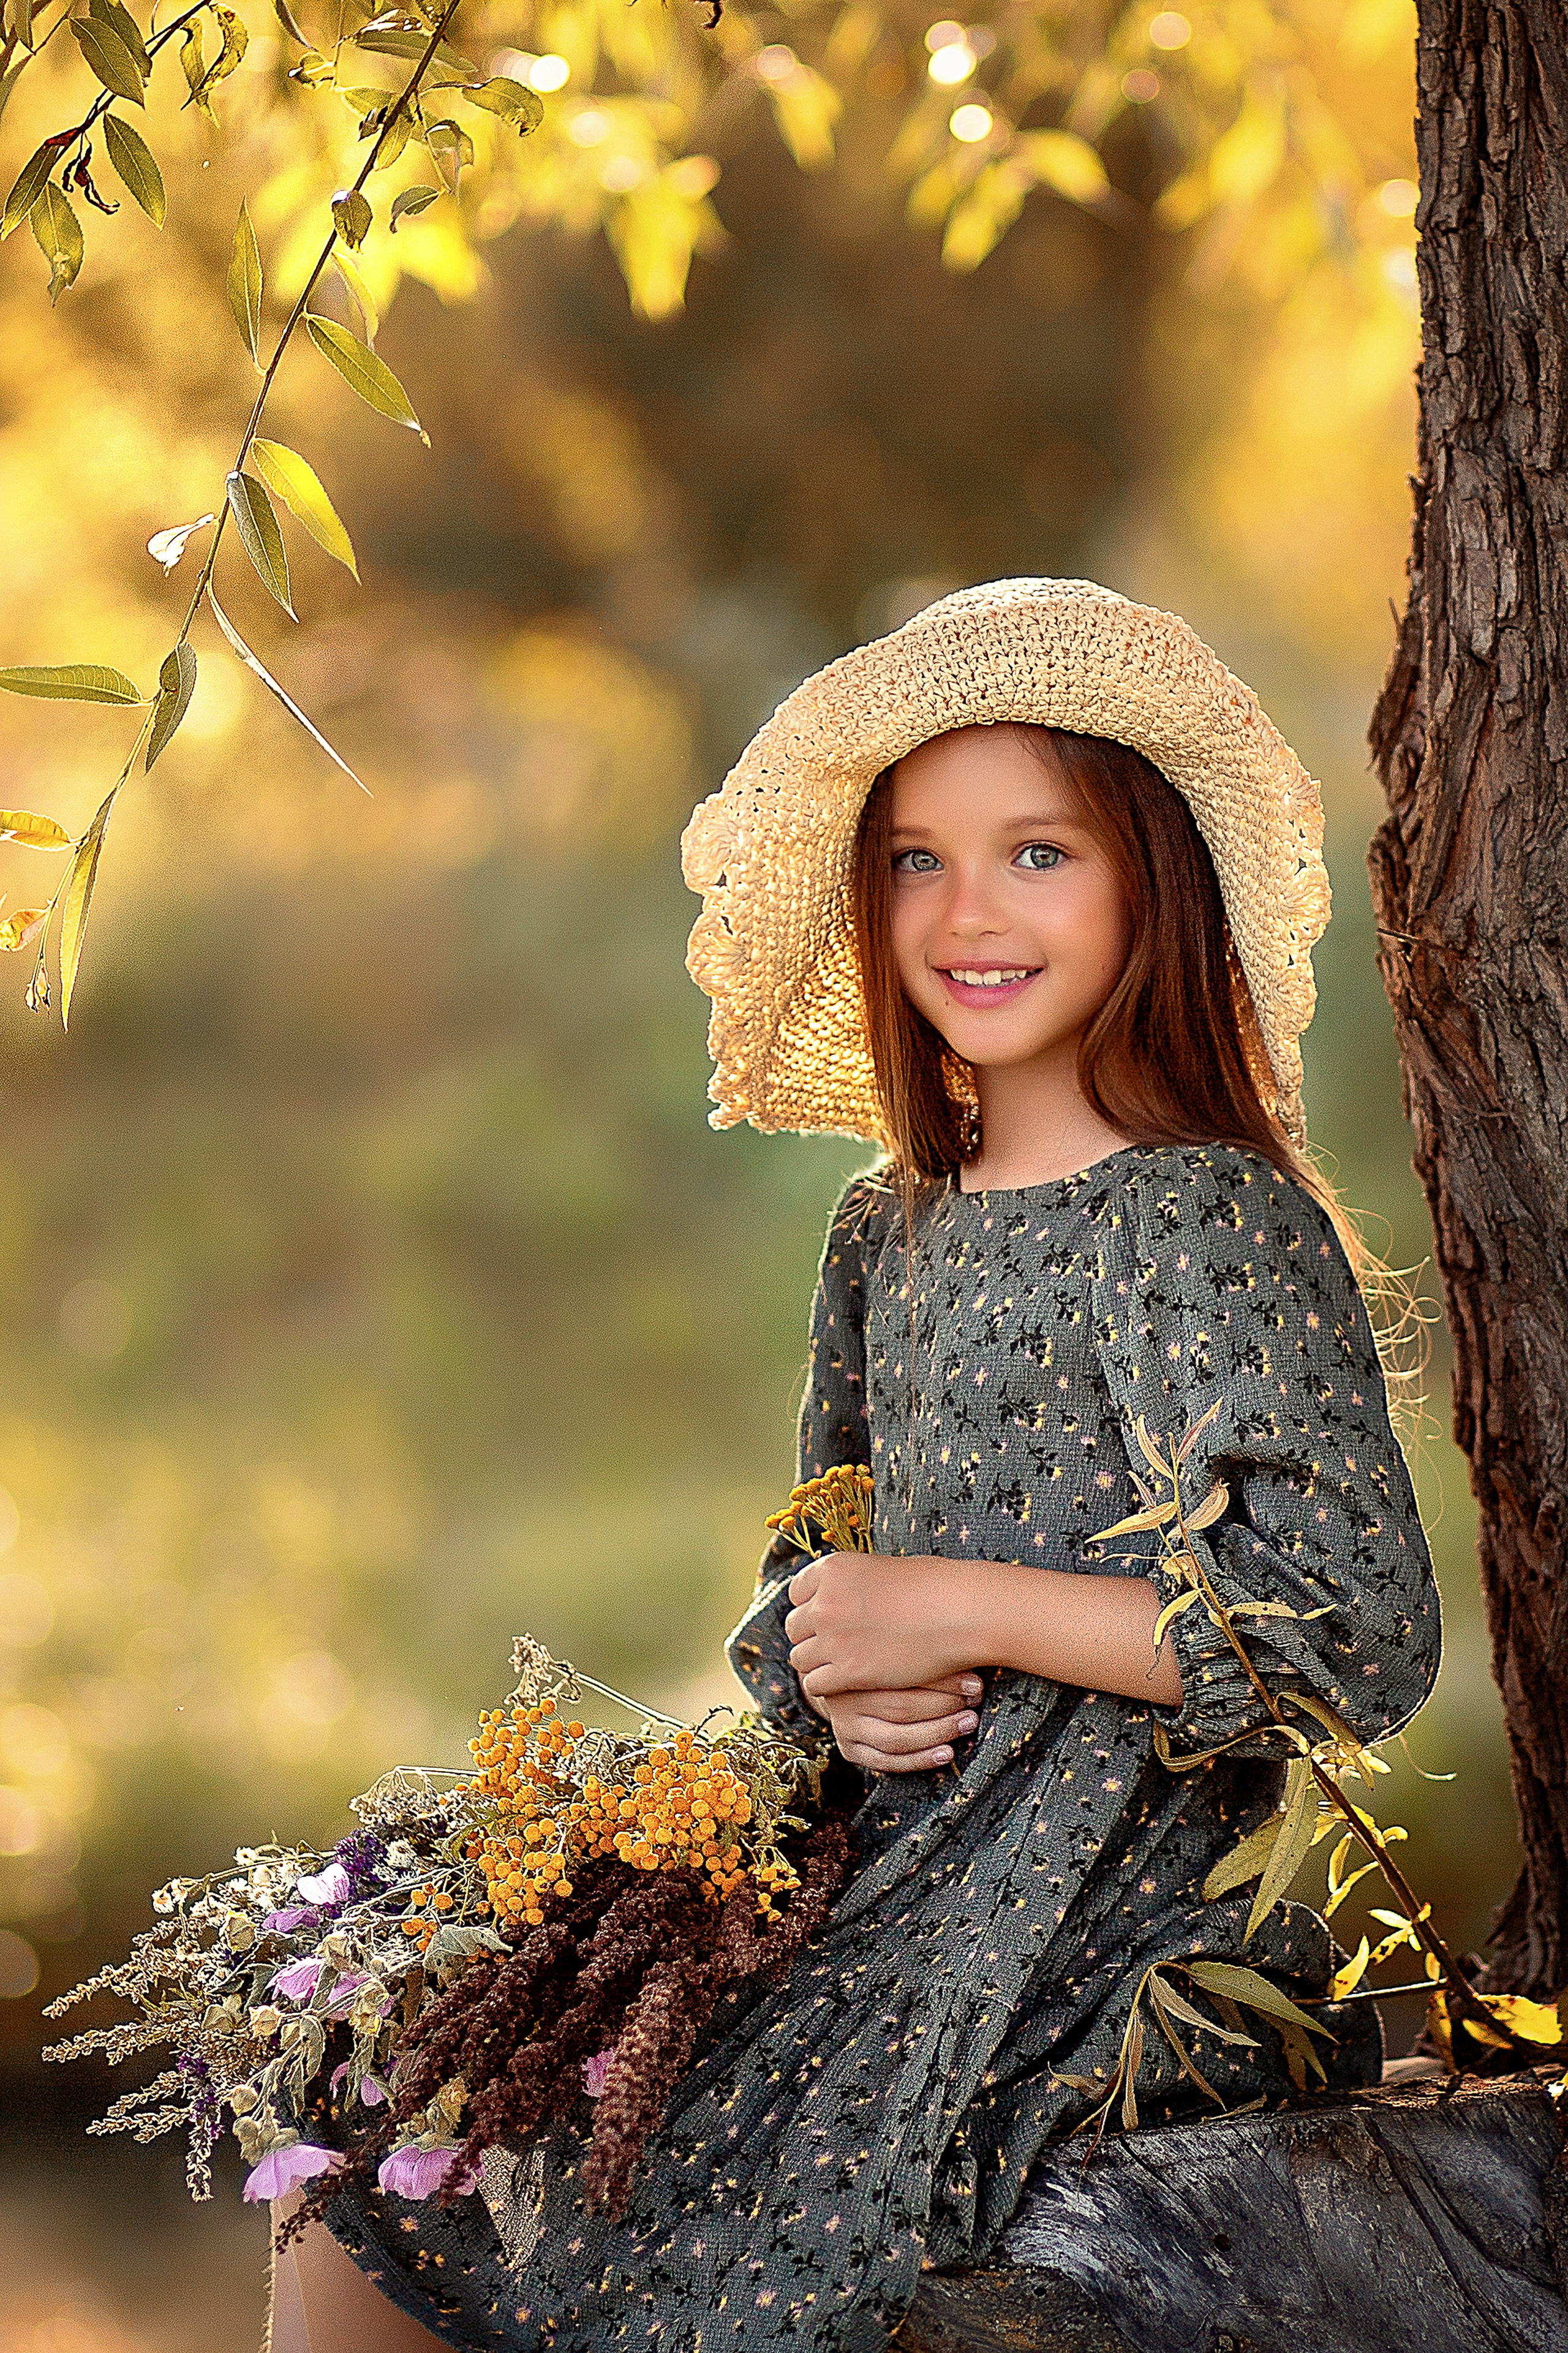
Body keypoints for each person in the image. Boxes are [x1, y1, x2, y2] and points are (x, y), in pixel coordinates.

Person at [273, 576, 1441, 2351]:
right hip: (874, 1854)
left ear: (1150, 872)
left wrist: (954, 1602)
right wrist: (837, 1666)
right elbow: (813, 1573)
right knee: (365, 2145)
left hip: (1076, 1919)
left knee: (633, 2211)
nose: (968, 911)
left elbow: (1345, 1630)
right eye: (917, 860)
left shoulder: (1199, 1214)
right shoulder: (887, 1229)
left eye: (1037, 851)